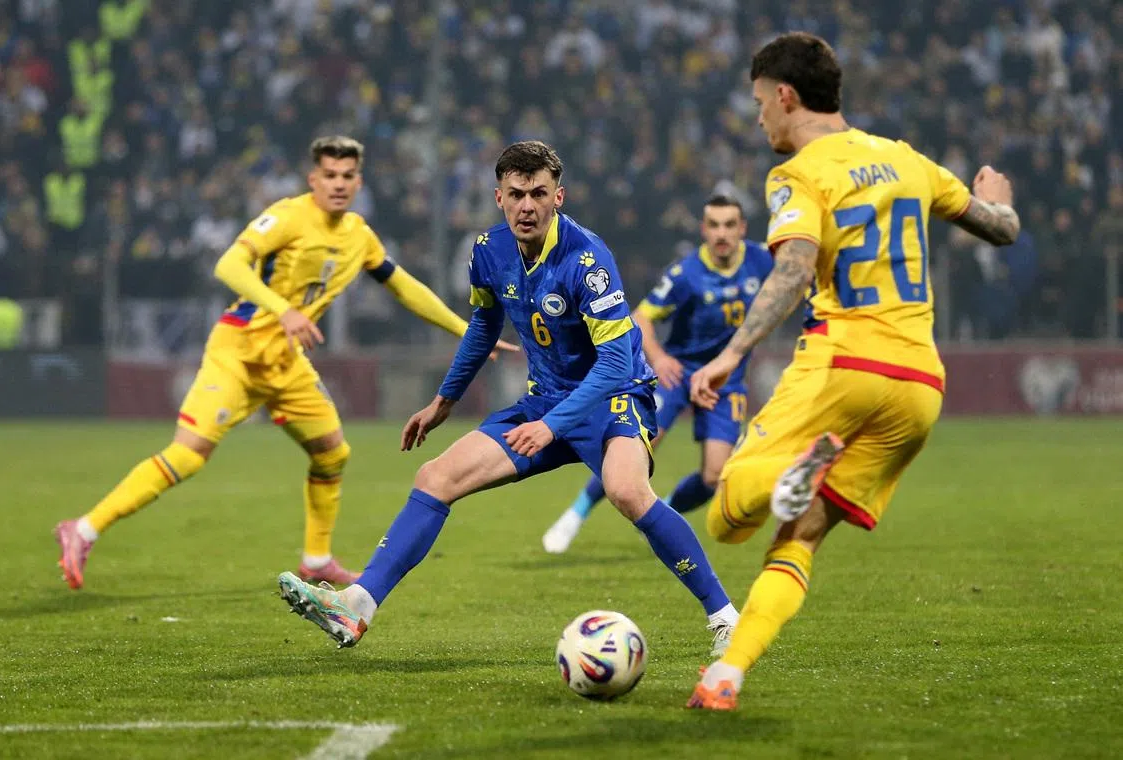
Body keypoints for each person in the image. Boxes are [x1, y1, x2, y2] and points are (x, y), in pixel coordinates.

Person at [276, 141, 740, 656]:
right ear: (499, 197)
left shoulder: (589, 259)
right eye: (516, 194)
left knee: (627, 490)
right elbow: (484, 325)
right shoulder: (488, 250)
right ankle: (357, 604)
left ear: (558, 197)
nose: (527, 206)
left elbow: (614, 364)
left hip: (612, 397)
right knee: (435, 476)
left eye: (538, 193)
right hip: (545, 401)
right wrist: (444, 401)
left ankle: (725, 617)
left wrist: (551, 426)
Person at [685, 33, 1020, 710]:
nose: (759, 117)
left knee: (726, 515)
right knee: (798, 536)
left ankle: (793, 470)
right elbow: (1001, 228)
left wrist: (730, 353)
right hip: (919, 385)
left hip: (844, 362)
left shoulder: (799, 173)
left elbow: (793, 268)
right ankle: (725, 677)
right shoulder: (907, 160)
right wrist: (1000, 197)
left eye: (759, 103)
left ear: (786, 96)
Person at [53, 136, 515, 590]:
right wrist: (283, 310)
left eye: (348, 175)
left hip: (285, 361)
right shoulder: (288, 216)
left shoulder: (359, 235)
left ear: (359, 182)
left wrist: (464, 329)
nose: (339, 183)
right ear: (313, 179)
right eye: (329, 175)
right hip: (239, 350)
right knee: (188, 454)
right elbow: (229, 265)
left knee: (331, 452)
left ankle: (316, 560)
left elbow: (403, 286)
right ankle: (84, 529)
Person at [542, 194, 773, 553]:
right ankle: (576, 513)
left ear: (742, 228)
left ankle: (663, 512)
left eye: (729, 225)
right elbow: (642, 317)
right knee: (634, 446)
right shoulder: (685, 274)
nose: (721, 233)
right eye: (714, 225)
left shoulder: (762, 260)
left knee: (714, 477)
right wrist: (660, 358)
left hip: (725, 382)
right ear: (703, 229)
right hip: (677, 375)